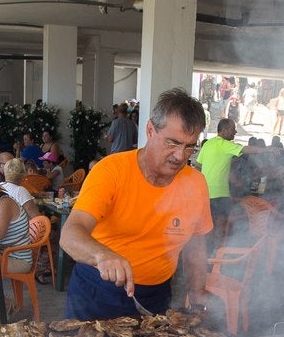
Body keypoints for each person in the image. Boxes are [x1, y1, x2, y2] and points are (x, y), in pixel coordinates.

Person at [60, 88, 212, 319]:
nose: (181, 156)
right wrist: (103, 256)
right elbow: (70, 234)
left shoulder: (196, 183)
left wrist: (199, 295)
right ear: (151, 130)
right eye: (173, 143)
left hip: (156, 296)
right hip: (97, 292)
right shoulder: (111, 171)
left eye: (190, 146)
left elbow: (196, 248)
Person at [193, 118, 244, 247]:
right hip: (220, 194)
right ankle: (218, 250)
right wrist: (267, 150)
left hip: (205, 192)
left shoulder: (208, 144)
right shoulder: (223, 144)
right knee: (222, 224)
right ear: (225, 130)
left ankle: (208, 251)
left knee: (208, 225)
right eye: (233, 129)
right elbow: (245, 149)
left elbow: (198, 165)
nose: (235, 132)